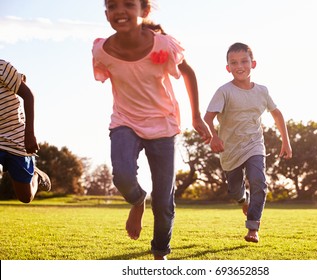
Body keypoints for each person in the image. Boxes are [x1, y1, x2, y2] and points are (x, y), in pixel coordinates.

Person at [92, 0, 211, 260]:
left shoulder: (164, 45)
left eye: (128, 4)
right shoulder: (102, 49)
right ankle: (137, 200)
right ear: (106, 13)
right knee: (122, 175)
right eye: (112, 6)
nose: (120, 11)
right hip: (125, 121)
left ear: (144, 11)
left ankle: (160, 253)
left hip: (163, 125)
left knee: (163, 201)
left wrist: (196, 116)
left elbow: (188, 73)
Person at [204, 42, 292, 243]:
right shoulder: (224, 91)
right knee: (235, 190)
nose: (239, 66)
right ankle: (243, 200)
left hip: (254, 145)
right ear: (228, 68)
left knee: (259, 182)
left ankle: (253, 227)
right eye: (233, 62)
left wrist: (285, 141)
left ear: (253, 63)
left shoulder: (262, 91)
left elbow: (277, 114)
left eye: (244, 61)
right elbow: (207, 118)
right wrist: (214, 136)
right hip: (230, 149)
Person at [0, 60, 51, 203]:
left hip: (16, 137)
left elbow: (28, 95)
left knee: (25, 197)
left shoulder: (2, 68)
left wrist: (29, 134)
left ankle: (36, 175)